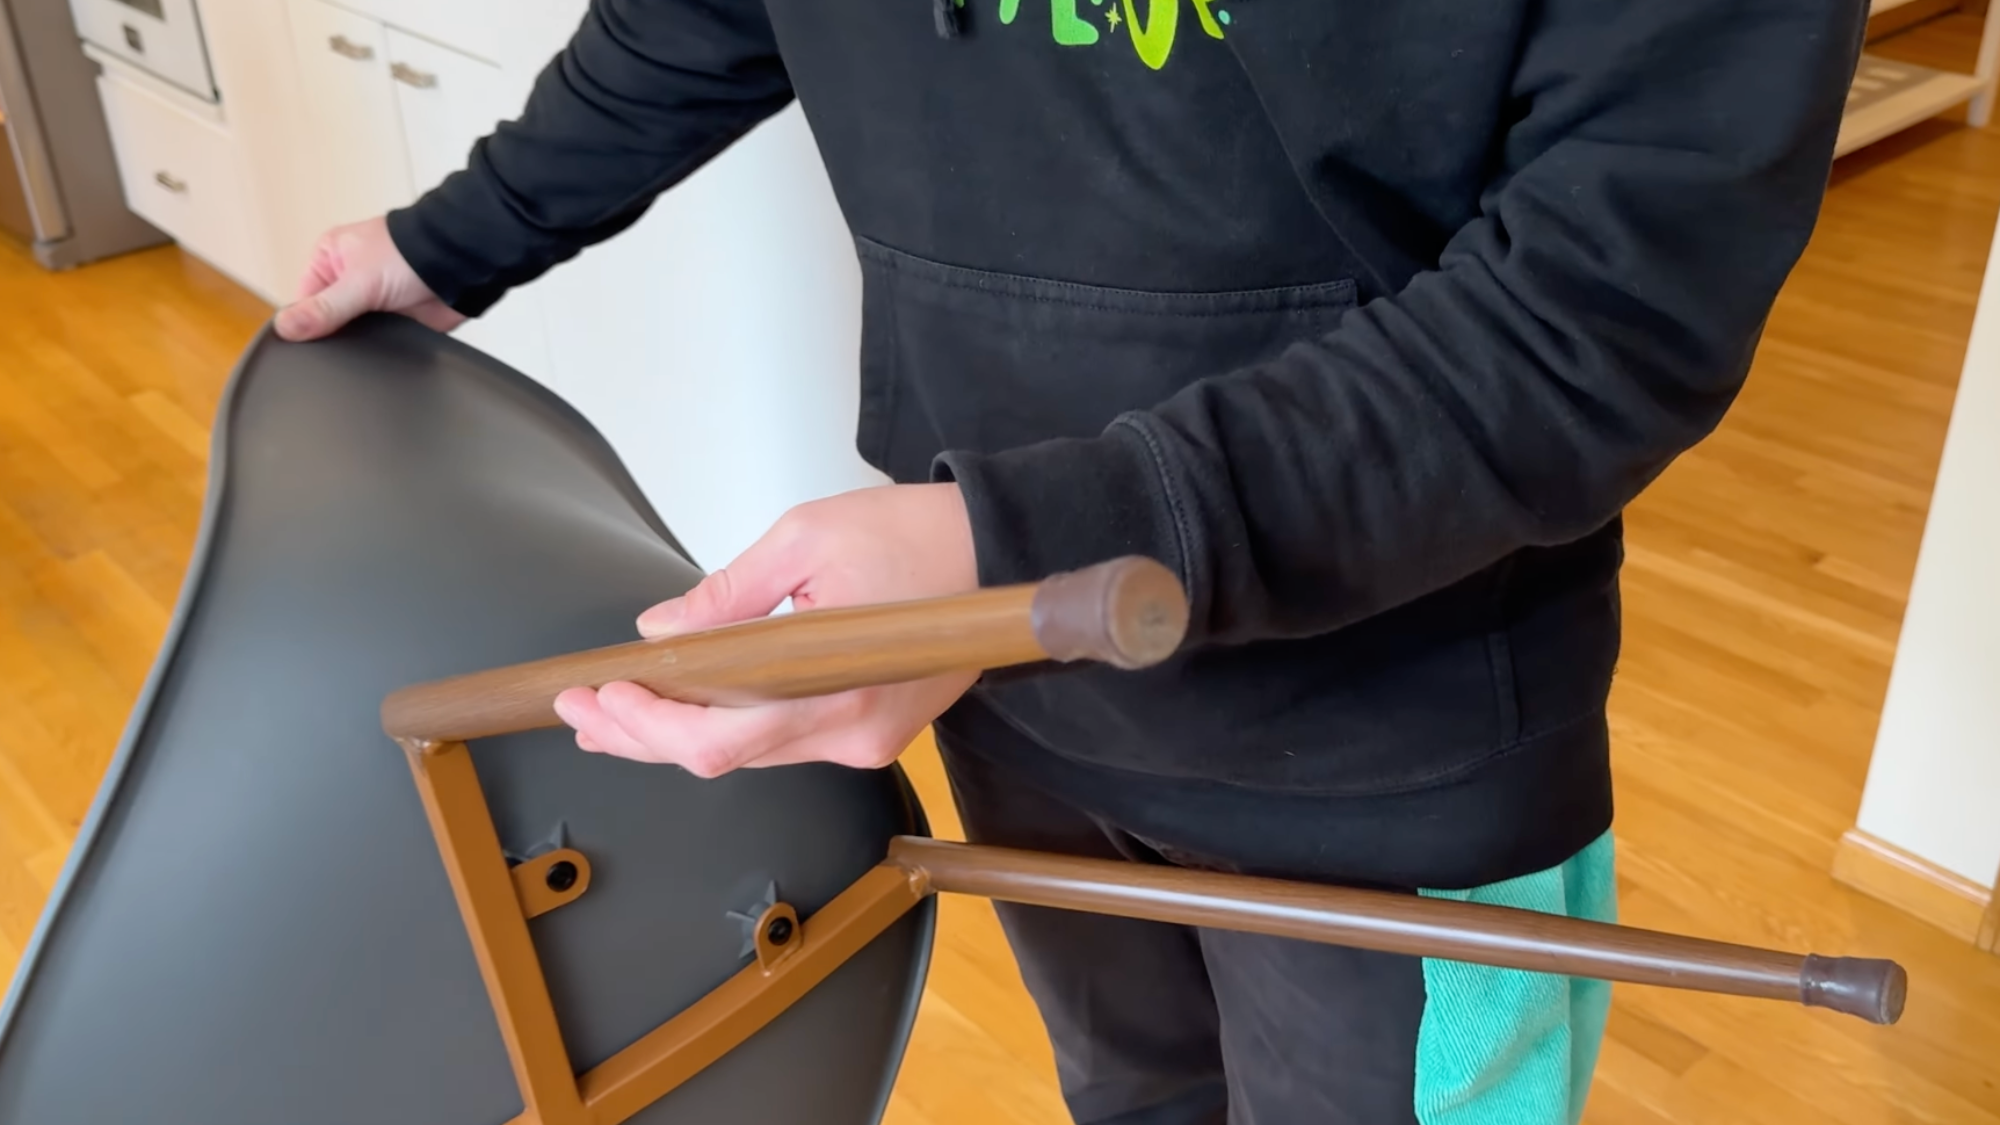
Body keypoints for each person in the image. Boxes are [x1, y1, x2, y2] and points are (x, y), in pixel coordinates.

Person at [274, 1, 1866, 1120]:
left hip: (1387, 726)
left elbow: (1597, 314)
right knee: (1134, 1098)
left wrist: (1013, 549)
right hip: (1010, 670)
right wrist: (455, 240)